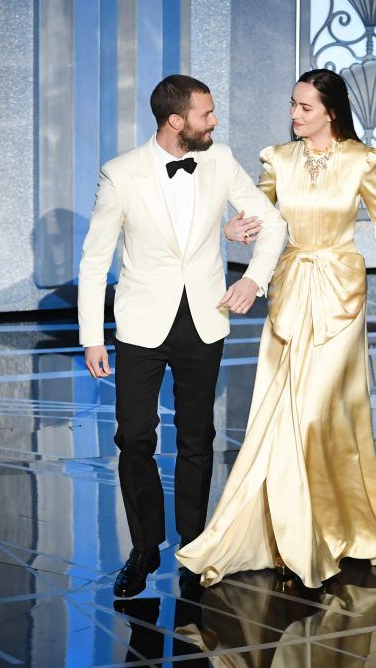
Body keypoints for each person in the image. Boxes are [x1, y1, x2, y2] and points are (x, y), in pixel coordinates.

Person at [176, 69, 376, 589]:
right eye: (293, 105)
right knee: (283, 413)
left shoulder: (364, 161)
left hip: (342, 297)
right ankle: (286, 533)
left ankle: (329, 526)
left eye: (304, 107)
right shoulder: (277, 159)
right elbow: (258, 214)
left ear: (331, 112)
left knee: (322, 414)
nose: (294, 115)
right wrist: (231, 230)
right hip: (292, 290)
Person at [77, 74, 286, 598]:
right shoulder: (120, 174)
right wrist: (91, 336)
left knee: (198, 437)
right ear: (177, 121)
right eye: (206, 114)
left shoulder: (219, 158)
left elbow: (271, 220)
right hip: (142, 324)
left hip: (204, 319)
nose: (214, 122)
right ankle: (145, 548)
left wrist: (254, 278)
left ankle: (194, 546)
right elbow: (95, 258)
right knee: (135, 438)